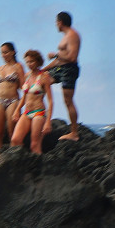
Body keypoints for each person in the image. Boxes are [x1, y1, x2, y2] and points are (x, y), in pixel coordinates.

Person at [42, 11, 81, 141]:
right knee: (41, 82)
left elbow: (72, 57)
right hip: (60, 68)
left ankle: (74, 133)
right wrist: (42, 70)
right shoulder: (65, 36)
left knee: (68, 101)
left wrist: (55, 55)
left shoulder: (73, 35)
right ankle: (38, 117)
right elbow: (59, 60)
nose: (55, 25)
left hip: (69, 70)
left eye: (56, 22)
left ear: (60, 22)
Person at [11, 50, 53, 154]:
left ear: (38, 61)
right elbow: (24, 97)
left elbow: (50, 101)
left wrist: (48, 121)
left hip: (39, 113)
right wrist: (17, 110)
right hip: (26, 112)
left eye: (32, 61)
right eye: (27, 62)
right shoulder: (27, 76)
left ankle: (38, 167)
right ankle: (21, 163)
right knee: (15, 140)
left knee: (35, 145)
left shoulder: (44, 76)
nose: (29, 64)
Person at [0, 42, 25, 149]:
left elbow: (23, 87)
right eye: (2, 53)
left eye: (6, 52)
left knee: (12, 132)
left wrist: (21, 106)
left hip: (13, 101)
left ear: (13, 52)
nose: (3, 55)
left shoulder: (18, 67)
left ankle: (14, 157)